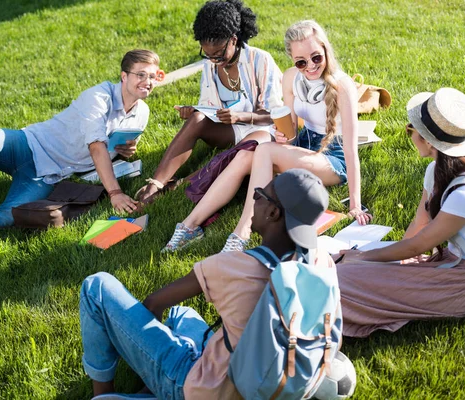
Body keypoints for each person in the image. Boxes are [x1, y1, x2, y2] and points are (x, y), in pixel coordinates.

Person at [79, 169, 333, 399]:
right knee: (183, 314)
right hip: (258, 384)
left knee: (97, 287)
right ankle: (154, 382)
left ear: (273, 212)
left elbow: (155, 303)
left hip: (201, 390)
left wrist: (142, 346)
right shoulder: (322, 264)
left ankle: (103, 394)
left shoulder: (234, 266)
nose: (252, 201)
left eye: (258, 195)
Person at [0, 49, 162, 262]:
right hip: (28, 142)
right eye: (140, 74)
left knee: (5, 216)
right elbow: (96, 147)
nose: (147, 82)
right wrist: (115, 194)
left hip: (47, 174)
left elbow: (123, 145)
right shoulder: (98, 97)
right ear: (123, 76)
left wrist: (126, 150)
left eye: (152, 76)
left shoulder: (142, 112)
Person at [163, 20, 372, 253]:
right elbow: (291, 131)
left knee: (263, 150)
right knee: (244, 156)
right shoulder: (292, 77)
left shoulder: (343, 87)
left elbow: (351, 151)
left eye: (316, 57)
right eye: (301, 62)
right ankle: (190, 225)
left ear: (325, 50)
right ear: (292, 60)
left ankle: (242, 231)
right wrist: (286, 141)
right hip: (304, 146)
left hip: (333, 158)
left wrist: (355, 204)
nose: (310, 66)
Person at [337, 87, 465, 338]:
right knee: (341, 261)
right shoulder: (435, 171)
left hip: (464, 283)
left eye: (410, 129)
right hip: (449, 262)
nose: (409, 134)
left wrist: (364, 259)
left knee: (342, 281)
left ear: (427, 141)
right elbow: (419, 224)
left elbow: (418, 245)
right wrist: (395, 264)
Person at [134, 0, 282, 203]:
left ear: (233, 40)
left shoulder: (260, 60)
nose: (214, 59)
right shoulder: (211, 65)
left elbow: (276, 114)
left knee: (245, 147)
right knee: (196, 119)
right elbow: (209, 108)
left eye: (219, 53)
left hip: (263, 130)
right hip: (230, 128)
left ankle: (181, 184)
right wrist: (195, 110)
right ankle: (154, 185)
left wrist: (241, 116)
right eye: (208, 54)